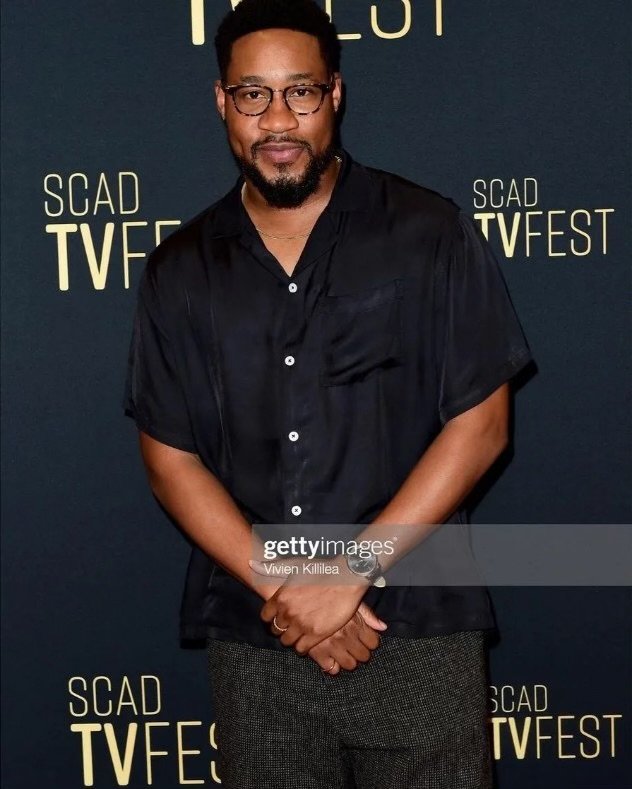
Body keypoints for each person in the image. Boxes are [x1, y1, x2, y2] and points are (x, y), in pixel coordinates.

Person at [122, 1, 533, 786]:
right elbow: (169, 458)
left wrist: (347, 575)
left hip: (415, 624)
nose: (278, 119)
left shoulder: (428, 232)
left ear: (335, 93)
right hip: (260, 635)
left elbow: (481, 425)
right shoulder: (179, 268)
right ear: (222, 101)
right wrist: (289, 591)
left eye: (300, 92)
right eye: (253, 94)